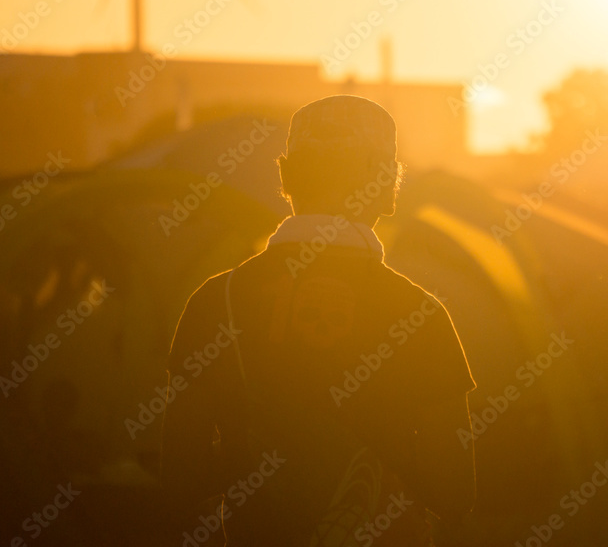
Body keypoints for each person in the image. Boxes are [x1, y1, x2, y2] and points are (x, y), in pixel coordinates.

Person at [161, 95, 476, 546]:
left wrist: (268, 452)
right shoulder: (420, 313)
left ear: (286, 177)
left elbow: (179, 482)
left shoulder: (215, 301)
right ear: (388, 186)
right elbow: (453, 494)